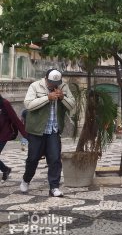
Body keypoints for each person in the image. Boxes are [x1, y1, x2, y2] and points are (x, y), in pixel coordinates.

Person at [22, 69, 75, 197]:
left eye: (56, 83)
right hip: (37, 130)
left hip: (53, 130)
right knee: (33, 158)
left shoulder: (63, 87)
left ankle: (54, 187)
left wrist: (62, 97)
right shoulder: (35, 86)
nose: (54, 85)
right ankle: (26, 179)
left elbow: (72, 104)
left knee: (55, 159)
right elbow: (28, 105)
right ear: (46, 79)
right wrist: (47, 98)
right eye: (51, 83)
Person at [0, 93, 28, 182]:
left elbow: (15, 119)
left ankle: (5, 169)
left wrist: (26, 135)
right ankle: (5, 169)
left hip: (3, 134)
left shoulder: (5, 103)